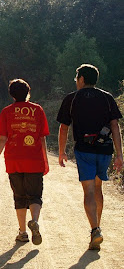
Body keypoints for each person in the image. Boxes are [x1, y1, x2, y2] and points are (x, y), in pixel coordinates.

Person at [56, 64, 123, 251]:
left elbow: (64, 128)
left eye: (76, 78)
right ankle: (97, 227)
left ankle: (94, 229)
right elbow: (115, 127)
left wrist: (62, 152)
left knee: (89, 191)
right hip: (104, 150)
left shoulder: (72, 98)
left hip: (84, 151)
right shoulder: (107, 98)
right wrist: (119, 155)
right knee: (98, 187)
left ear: (82, 79)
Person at [0, 79, 49, 245]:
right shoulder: (37, 110)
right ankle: (35, 221)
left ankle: (23, 232)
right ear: (28, 92)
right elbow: (42, 138)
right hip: (34, 160)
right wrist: (45, 160)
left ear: (11, 94)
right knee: (35, 195)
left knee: (19, 196)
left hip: (14, 160)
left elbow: (3, 139)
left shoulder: (7, 112)